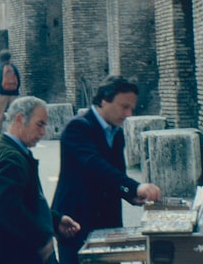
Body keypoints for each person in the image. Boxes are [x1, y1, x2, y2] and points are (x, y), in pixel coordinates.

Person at [51, 76, 162, 264]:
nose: (128, 114)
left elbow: (116, 174)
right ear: (104, 100)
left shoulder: (116, 132)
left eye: (131, 109)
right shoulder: (78, 127)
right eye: (124, 106)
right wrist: (135, 187)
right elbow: (95, 166)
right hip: (77, 219)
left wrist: (131, 194)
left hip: (107, 219)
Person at [0, 96, 80, 264]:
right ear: (19, 119)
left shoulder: (13, 151)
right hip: (11, 255)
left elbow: (26, 202)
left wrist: (55, 220)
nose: (42, 132)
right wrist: (40, 239)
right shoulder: (11, 158)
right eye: (39, 124)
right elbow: (5, 207)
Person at [0, 50, 20, 131]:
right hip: (14, 94)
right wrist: (15, 89)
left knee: (0, 114)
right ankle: (15, 130)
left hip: (3, 94)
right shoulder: (14, 68)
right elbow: (18, 80)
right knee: (15, 113)